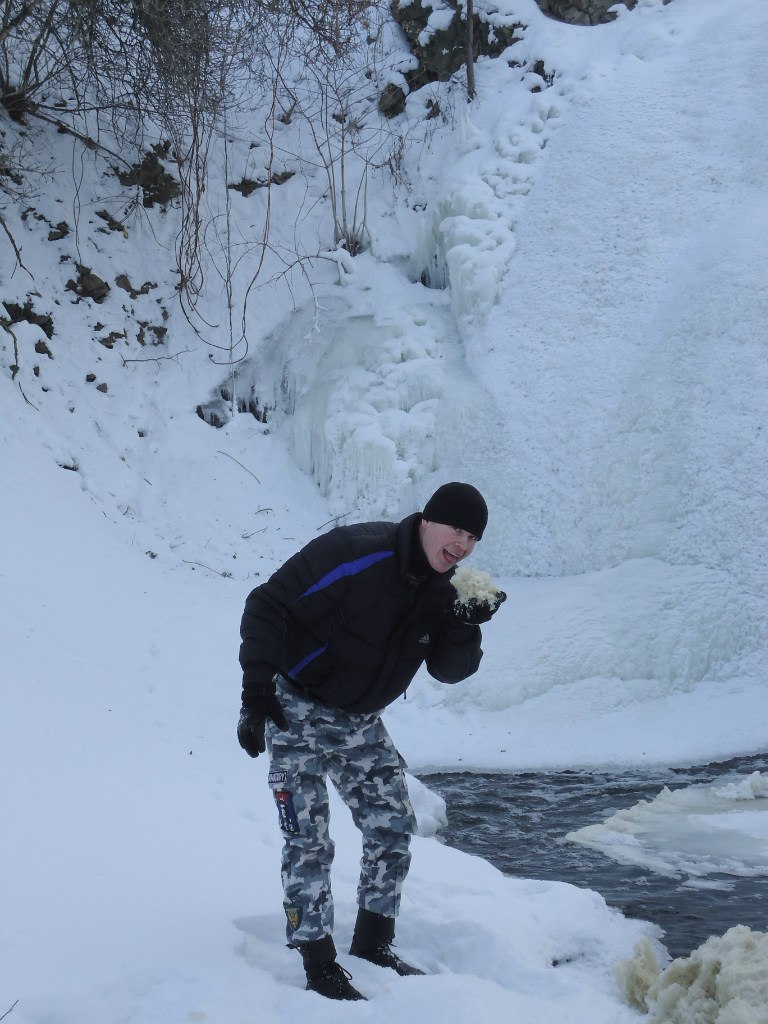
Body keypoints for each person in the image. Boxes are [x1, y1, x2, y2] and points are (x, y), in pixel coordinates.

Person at [237, 482, 505, 1000]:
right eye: (458, 530)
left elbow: (450, 673)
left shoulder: (445, 590)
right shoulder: (354, 552)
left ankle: (373, 942)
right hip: (296, 708)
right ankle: (317, 961)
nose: (464, 545)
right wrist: (255, 693)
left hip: (360, 721)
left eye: (474, 537)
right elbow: (267, 604)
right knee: (308, 838)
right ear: (429, 520)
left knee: (394, 824)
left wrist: (464, 628)